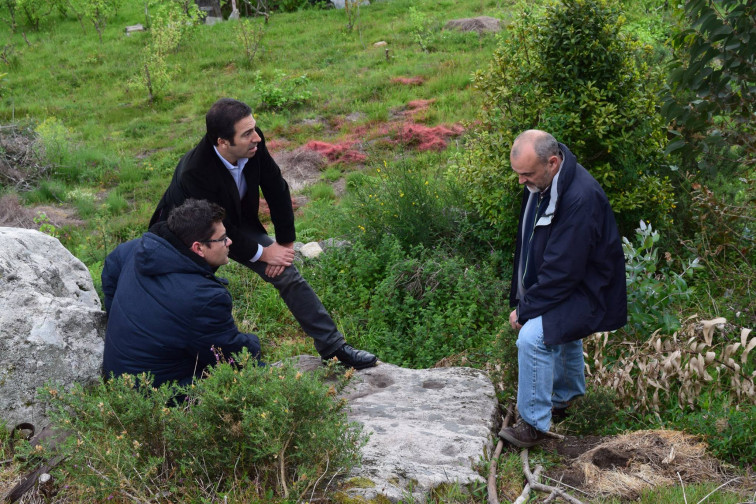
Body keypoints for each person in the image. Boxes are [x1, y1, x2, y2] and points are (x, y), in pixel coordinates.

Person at [149, 98, 377, 370]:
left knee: (286, 273)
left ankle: (334, 349)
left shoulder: (253, 144)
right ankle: (196, 367)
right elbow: (221, 229)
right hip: (185, 238)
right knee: (191, 296)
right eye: (247, 133)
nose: (256, 137)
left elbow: (276, 188)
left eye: (254, 129)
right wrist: (263, 252)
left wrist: (284, 244)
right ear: (223, 142)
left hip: (232, 223)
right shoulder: (195, 172)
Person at [498, 130, 627, 448]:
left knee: (532, 338)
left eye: (526, 174)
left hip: (589, 292)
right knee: (560, 334)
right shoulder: (544, 183)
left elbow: (562, 274)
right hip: (568, 285)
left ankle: (533, 425)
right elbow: (533, 245)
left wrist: (525, 310)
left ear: (552, 162)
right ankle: (566, 400)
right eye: (519, 174)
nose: (521, 182)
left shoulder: (579, 198)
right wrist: (524, 294)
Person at [102, 199, 262, 387]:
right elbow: (230, 353)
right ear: (198, 248)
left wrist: (120, 318)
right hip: (158, 393)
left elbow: (111, 268)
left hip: (116, 375)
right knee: (256, 376)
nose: (229, 242)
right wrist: (254, 343)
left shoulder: (135, 250)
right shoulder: (203, 297)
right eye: (222, 238)